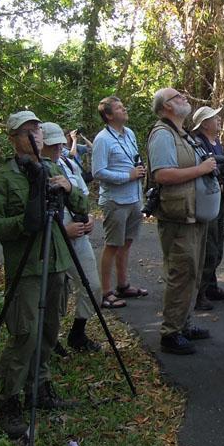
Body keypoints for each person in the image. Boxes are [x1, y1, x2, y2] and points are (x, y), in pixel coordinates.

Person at [0, 111, 88, 439]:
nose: (35, 135)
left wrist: (69, 188)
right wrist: (21, 225)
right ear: (14, 139)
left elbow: (83, 204)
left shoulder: (54, 168)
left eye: (38, 129)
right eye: (27, 131)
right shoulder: (5, 177)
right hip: (27, 269)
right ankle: (8, 401)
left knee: (50, 332)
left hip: (56, 264)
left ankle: (39, 388)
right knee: (25, 335)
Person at [147, 88, 220, 355]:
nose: (184, 98)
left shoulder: (182, 134)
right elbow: (163, 175)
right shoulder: (162, 135)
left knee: (194, 271)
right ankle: (170, 333)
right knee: (181, 273)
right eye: (177, 97)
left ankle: (184, 323)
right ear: (166, 107)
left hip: (194, 213)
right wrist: (201, 169)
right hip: (178, 216)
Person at [41, 122, 102, 354]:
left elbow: (83, 198)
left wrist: (89, 219)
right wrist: (62, 231)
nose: (57, 149)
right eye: (51, 145)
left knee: (93, 286)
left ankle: (78, 332)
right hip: (52, 241)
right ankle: (50, 338)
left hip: (78, 238)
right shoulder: (37, 171)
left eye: (59, 144)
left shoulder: (68, 163)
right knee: (55, 295)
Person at [92, 96, 148, 309]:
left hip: (134, 198)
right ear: (108, 115)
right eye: (118, 108)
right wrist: (128, 176)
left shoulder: (130, 134)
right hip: (115, 200)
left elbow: (133, 161)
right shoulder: (102, 139)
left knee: (127, 242)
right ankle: (106, 292)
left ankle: (123, 285)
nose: (124, 109)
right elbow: (98, 171)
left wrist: (138, 173)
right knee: (113, 244)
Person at [191, 106, 224, 310]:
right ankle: (199, 293)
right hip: (206, 199)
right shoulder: (197, 143)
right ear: (204, 123)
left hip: (220, 198)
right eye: (213, 118)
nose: (218, 120)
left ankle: (211, 286)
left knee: (218, 244)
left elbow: (223, 168)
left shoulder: (217, 142)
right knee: (208, 248)